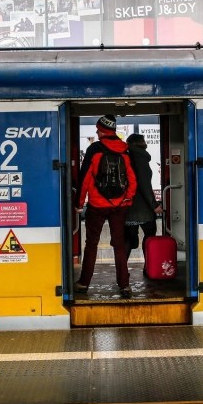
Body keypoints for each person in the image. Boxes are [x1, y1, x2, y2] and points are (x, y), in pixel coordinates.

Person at [74, 115, 137, 298]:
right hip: (120, 206)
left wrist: (79, 204)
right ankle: (124, 285)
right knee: (119, 245)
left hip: (97, 205)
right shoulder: (125, 151)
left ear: (102, 130)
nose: (96, 131)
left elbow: (84, 179)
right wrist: (126, 199)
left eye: (97, 129)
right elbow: (133, 179)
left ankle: (84, 283)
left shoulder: (94, 149)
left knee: (91, 245)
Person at [123, 133, 162, 261]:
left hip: (128, 206)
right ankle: (149, 266)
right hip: (143, 208)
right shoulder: (141, 158)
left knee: (128, 239)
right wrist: (154, 205)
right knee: (149, 236)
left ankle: (122, 272)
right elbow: (144, 184)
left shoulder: (126, 157)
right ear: (141, 143)